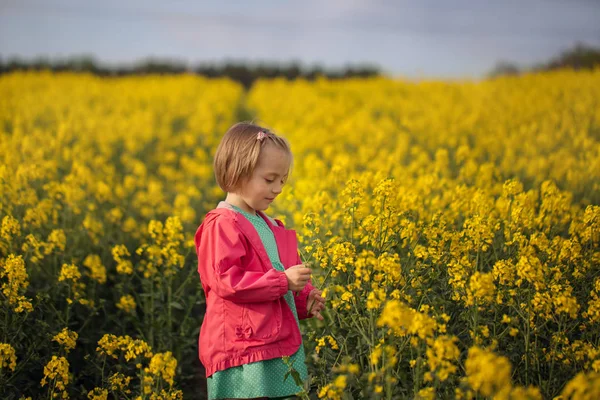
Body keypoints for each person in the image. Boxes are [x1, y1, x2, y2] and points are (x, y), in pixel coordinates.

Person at [194, 122, 326, 399]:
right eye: (269, 180)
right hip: (242, 349)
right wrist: (283, 281)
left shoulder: (269, 223)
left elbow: (284, 277)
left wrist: (304, 298)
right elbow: (227, 281)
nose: (278, 188)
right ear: (236, 172)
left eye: (283, 181)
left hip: (271, 340)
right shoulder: (222, 224)